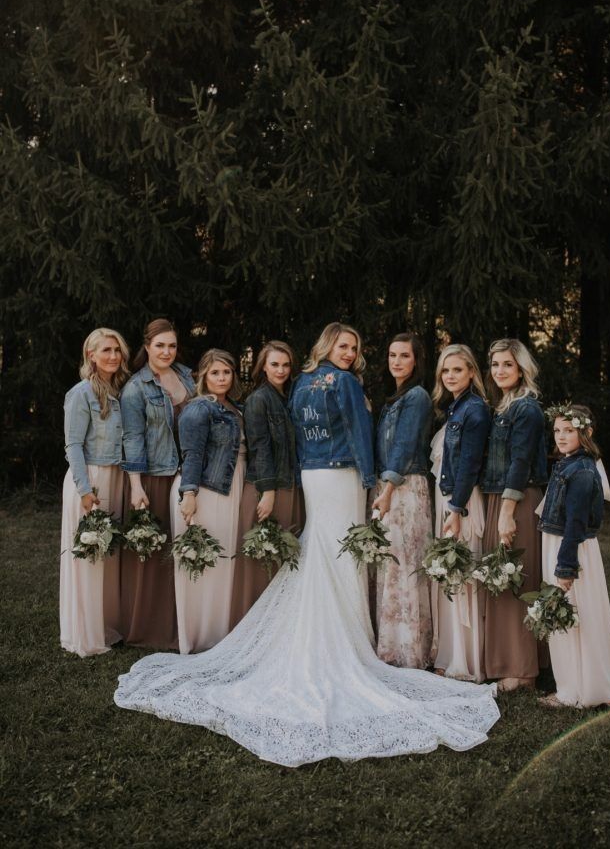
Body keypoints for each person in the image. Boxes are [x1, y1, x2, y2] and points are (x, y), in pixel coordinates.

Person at [115, 323, 499, 768]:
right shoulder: (347, 383)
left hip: (314, 476)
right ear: (329, 346)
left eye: (355, 348)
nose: (351, 353)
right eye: (345, 345)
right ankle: (344, 636)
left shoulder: (301, 383)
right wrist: (373, 479)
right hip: (342, 473)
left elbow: (298, 434)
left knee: (324, 546)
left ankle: (328, 626)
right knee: (340, 552)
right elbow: (357, 432)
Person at [537, 404, 610, 708]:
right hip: (559, 544)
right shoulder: (567, 463)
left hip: (569, 549)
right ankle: (571, 684)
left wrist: (565, 567)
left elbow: (575, 523)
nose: (561, 436)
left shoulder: (583, 471)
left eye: (569, 431)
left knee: (575, 616)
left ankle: (580, 689)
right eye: (557, 430)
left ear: (585, 433)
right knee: (569, 617)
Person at [120, 318, 195, 649]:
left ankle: (188, 621)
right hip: (156, 475)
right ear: (147, 346)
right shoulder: (136, 388)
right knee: (156, 555)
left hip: (190, 474)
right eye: (160, 345)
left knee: (186, 548)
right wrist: (136, 486)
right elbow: (132, 438)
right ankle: (154, 628)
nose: (166, 351)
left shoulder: (188, 376)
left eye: (172, 345)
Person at [479, 338, 548, 692]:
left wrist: (507, 513)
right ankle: (511, 662)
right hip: (500, 498)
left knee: (517, 580)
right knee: (502, 580)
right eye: (495, 365)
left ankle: (523, 672)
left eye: (507, 364)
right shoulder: (503, 407)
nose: (500, 371)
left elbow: (521, 463)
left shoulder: (527, 409)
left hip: (517, 500)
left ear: (521, 368)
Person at [60, 328, 130, 656]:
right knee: (90, 556)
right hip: (90, 478)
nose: (113, 356)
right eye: (106, 350)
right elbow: (73, 444)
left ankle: (104, 624)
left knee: (106, 555)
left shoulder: (116, 391)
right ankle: (85, 635)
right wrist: (85, 491)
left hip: (113, 476)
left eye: (117, 350)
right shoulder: (81, 393)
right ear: (91, 354)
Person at [171, 349, 245, 654]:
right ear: (202, 376)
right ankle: (199, 637)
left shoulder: (233, 407)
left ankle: (219, 634)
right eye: (215, 373)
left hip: (229, 489)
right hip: (206, 491)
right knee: (204, 562)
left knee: (223, 561)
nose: (221, 378)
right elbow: (192, 454)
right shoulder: (199, 409)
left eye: (226, 372)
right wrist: (189, 494)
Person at [229, 340, 305, 629]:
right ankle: (255, 628)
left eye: (286, 365)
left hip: (291, 485)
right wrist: (269, 491)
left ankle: (281, 628)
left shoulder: (290, 397)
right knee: (264, 562)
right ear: (263, 366)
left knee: (284, 560)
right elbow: (259, 448)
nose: (281, 370)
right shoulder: (258, 399)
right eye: (275, 364)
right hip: (268, 488)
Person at [430, 344, 491, 682]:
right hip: (450, 499)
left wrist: (456, 509)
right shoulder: (456, 408)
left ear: (471, 372)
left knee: (463, 574)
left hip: (461, 502)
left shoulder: (475, 410)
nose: (450, 376)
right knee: (452, 574)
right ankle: (452, 652)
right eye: (445, 371)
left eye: (457, 370)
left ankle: (467, 660)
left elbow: (469, 464)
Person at [373, 333, 433, 668]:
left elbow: (405, 444)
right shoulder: (393, 399)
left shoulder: (417, 397)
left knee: (406, 562)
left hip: (405, 487)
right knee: (390, 563)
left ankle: (410, 650)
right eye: (392, 355)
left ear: (416, 360)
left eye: (404, 356)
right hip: (389, 486)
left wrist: (388, 488)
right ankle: (390, 646)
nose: (396, 361)